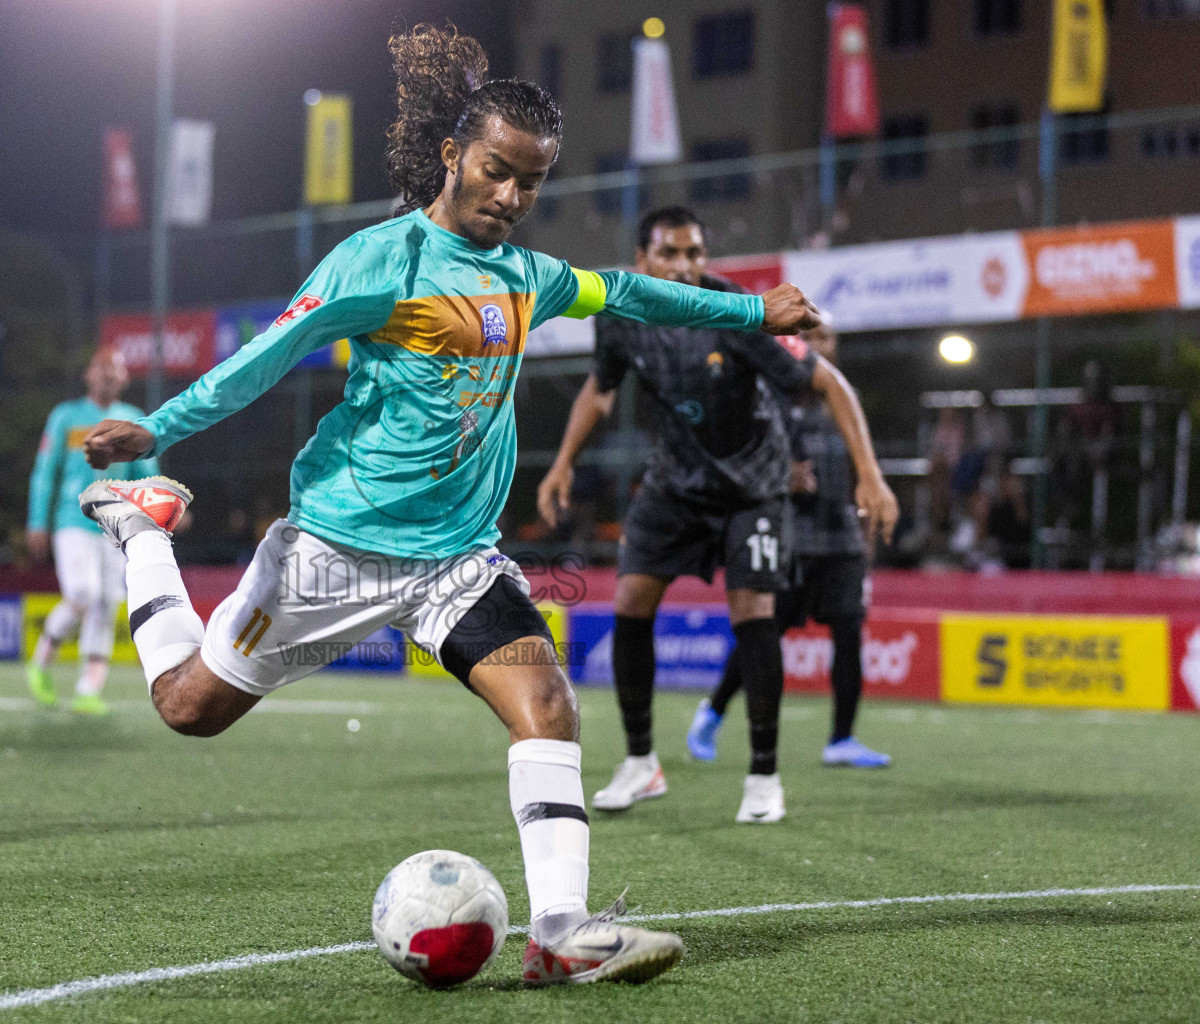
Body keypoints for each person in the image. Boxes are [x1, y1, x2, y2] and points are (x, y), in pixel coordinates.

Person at [76, 25, 827, 986]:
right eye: (495, 171)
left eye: (530, 181)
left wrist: (753, 310)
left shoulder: (531, 277)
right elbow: (267, 356)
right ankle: (142, 528)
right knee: (187, 708)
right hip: (331, 551)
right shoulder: (379, 264)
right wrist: (161, 427)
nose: (510, 197)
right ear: (451, 157)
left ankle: (561, 934)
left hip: (457, 563)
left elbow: (636, 294)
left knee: (548, 708)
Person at [537, 209, 896, 824]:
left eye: (695, 254)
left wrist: (871, 473)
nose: (685, 267)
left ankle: (763, 777)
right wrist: (562, 461)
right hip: (675, 480)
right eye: (671, 254)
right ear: (643, 259)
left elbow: (831, 383)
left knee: (754, 613)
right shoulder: (621, 311)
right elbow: (600, 389)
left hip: (754, 485)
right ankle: (641, 763)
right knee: (630, 601)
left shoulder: (737, 311)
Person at [690, 316, 892, 769]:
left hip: (842, 541)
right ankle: (714, 710)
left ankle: (841, 739)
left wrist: (867, 546)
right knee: (761, 637)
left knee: (848, 635)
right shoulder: (770, 400)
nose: (819, 344)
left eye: (827, 337)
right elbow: (734, 466)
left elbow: (866, 477)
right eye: (811, 338)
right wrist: (783, 478)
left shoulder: (846, 406)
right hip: (786, 537)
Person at [24, 351, 158, 715]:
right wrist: (37, 522)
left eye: (114, 370)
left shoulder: (132, 421)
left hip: (115, 526)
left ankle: (88, 690)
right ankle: (41, 663)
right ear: (87, 375)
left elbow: (146, 476)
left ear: (125, 377)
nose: (107, 376)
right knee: (83, 594)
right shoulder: (66, 417)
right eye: (100, 369)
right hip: (71, 521)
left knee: (106, 603)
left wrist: (160, 508)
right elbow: (43, 472)